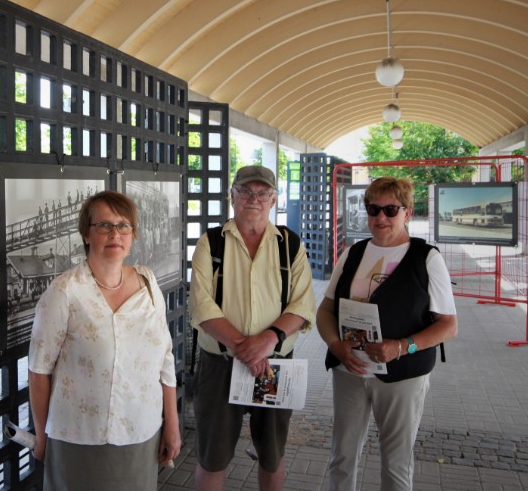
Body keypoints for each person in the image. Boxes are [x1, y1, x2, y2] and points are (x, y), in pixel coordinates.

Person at [28, 190, 181, 490]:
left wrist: (172, 424)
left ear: (133, 233)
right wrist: (42, 436)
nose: (115, 234)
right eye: (104, 225)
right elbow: (38, 371)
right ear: (86, 234)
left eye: (123, 225)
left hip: (141, 433)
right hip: (78, 439)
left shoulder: (148, 283)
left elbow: (165, 359)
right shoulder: (64, 292)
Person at [316, 177, 458, 491]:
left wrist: (401, 347)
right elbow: (325, 310)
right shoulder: (353, 253)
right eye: (373, 209)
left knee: (396, 464)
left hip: (402, 375)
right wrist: (336, 345)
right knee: (341, 457)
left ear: (407, 213)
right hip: (350, 370)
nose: (381, 217)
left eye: (391, 210)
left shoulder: (426, 258)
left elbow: (448, 325)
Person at [189, 165, 317, 491]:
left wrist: (267, 342)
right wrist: (247, 348)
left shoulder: (290, 244)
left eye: (262, 193)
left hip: (274, 366)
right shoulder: (210, 243)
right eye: (245, 191)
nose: (253, 199)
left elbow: (302, 305)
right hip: (220, 365)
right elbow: (202, 306)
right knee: (211, 456)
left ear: (273, 199)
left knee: (272, 455)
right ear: (232, 195)